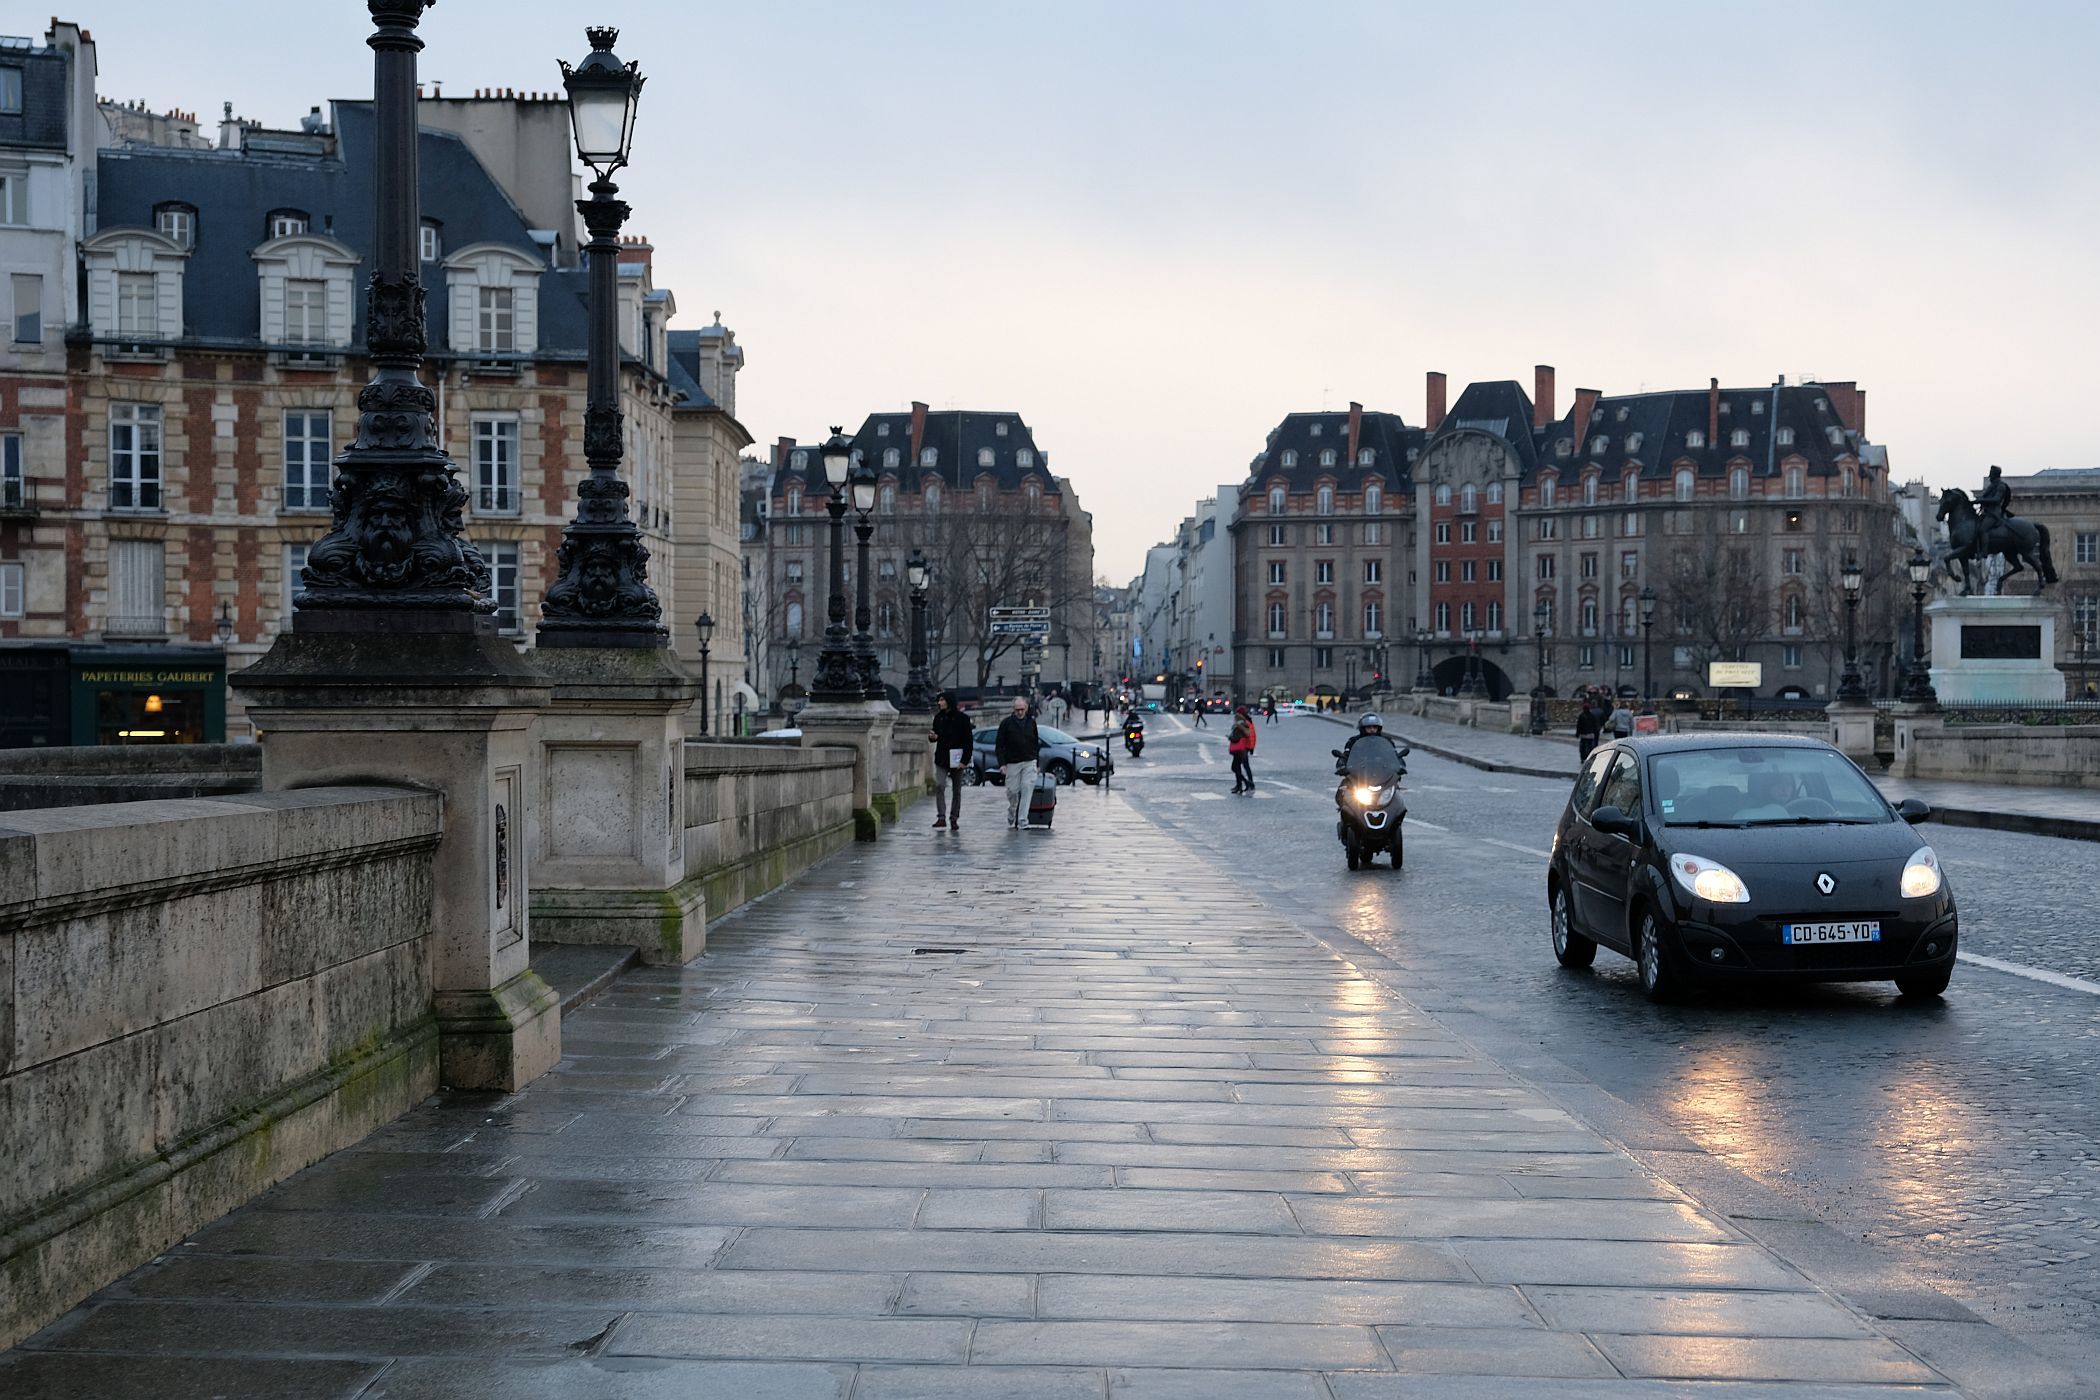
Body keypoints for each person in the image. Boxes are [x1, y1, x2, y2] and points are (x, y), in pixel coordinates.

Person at [995, 694, 1042, 829]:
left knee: (1027, 788)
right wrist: (1002, 764)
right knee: (1012, 792)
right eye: (1017, 710)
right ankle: (1012, 809)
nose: (1020, 712)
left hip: (1029, 761)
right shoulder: (1006, 724)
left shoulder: (1031, 722)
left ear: (1026, 708)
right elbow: (999, 745)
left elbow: (1035, 743)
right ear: (1013, 709)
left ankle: (1022, 820)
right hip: (1012, 762)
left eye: (1022, 709)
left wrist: (1037, 763)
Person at [929, 692, 974, 831]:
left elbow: (968, 742)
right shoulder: (938, 718)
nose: (939, 703)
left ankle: (954, 818)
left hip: (957, 757)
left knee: (957, 790)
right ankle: (941, 817)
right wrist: (933, 737)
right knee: (940, 785)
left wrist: (964, 761)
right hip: (942, 757)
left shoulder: (963, 719)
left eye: (942, 700)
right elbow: (935, 736)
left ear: (949, 701)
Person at [1227, 706, 1256, 794]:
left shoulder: (1244, 723)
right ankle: (1242, 784)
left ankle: (1247, 783)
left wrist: (1238, 726)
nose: (1236, 714)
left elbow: (1248, 734)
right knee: (1238, 767)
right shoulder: (1245, 721)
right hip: (1242, 748)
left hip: (1242, 748)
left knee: (1237, 767)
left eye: (1237, 713)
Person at [1575, 695, 1604, 760]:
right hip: (1591, 733)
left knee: (1582, 746)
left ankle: (1583, 757)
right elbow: (1595, 724)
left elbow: (1579, 725)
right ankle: (1589, 756)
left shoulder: (1581, 716)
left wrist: (1577, 733)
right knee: (1590, 745)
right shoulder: (1592, 715)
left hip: (1583, 734)